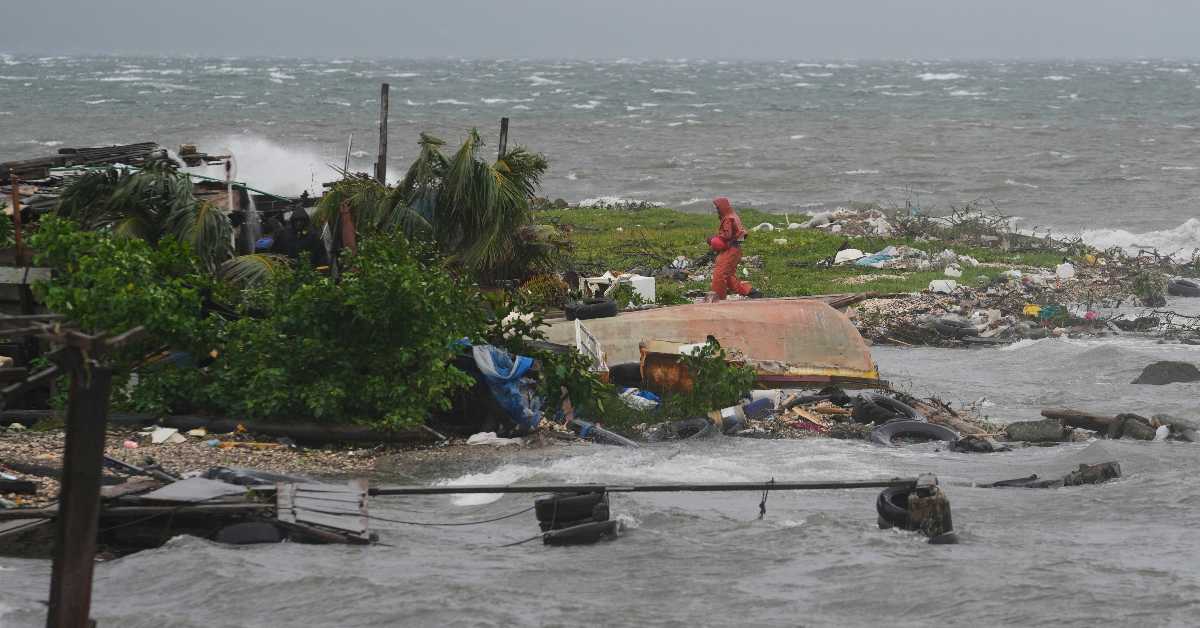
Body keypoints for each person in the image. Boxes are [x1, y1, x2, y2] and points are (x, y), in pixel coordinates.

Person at [707, 197, 762, 300]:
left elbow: (726, 236)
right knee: (728, 276)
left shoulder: (728, 218)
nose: (717, 211)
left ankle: (717, 299)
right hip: (736, 249)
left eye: (718, 208)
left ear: (722, 207)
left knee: (719, 274)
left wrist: (712, 240)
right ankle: (751, 292)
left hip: (730, 251)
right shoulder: (734, 215)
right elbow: (743, 235)